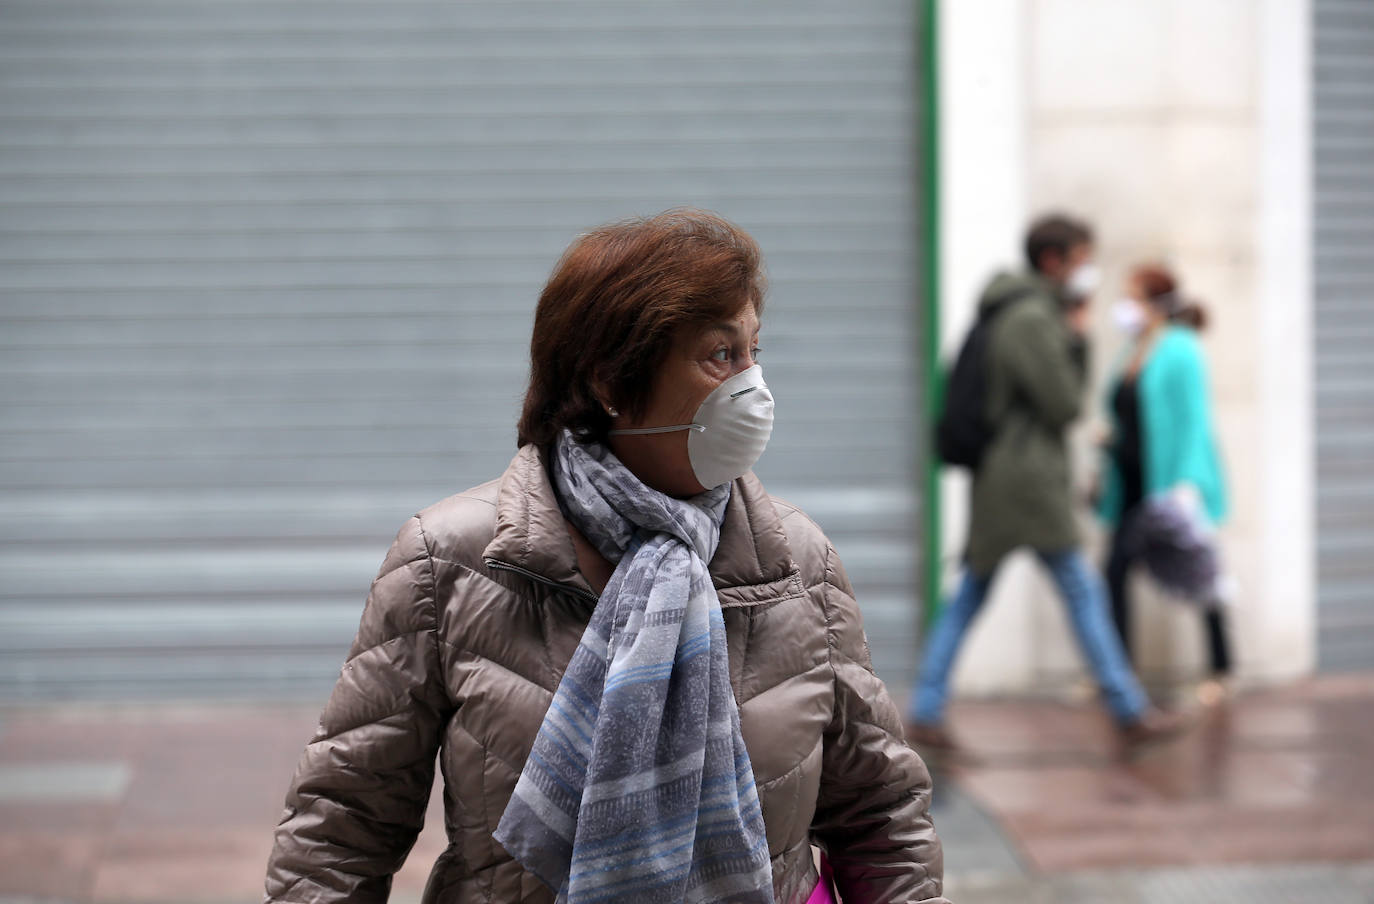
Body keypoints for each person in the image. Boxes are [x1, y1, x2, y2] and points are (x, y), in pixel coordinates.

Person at [262, 209, 949, 904]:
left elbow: (882, 821)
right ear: (611, 382)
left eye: (754, 353)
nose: (754, 388)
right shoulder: (452, 561)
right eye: (720, 355)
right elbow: (342, 829)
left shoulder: (795, 563)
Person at [907, 213, 1188, 754]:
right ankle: (1128, 710)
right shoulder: (1032, 318)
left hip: (1007, 478)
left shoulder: (1018, 309)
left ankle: (927, 707)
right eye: (1082, 260)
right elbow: (1063, 405)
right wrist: (1079, 340)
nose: (1088, 273)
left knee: (975, 592)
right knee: (1074, 590)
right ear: (1054, 261)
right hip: (1026, 481)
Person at [1099, 264, 1232, 703]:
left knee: (1198, 571)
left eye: (1131, 297)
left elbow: (1196, 420)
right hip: (1131, 486)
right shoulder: (1133, 348)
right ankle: (1120, 676)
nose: (1124, 307)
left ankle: (1221, 669)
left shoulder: (1181, 348)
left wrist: (1189, 483)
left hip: (1168, 484)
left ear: (1155, 303)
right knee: (1114, 571)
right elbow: (1127, 413)